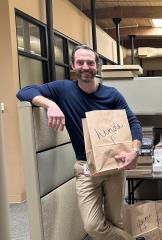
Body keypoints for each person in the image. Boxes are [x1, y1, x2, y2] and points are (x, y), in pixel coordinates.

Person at [17, 45, 142, 240]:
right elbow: (25, 91)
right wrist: (50, 104)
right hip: (85, 168)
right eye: (80, 62)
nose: (86, 66)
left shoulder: (112, 94)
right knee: (92, 225)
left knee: (115, 220)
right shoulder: (63, 90)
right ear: (73, 66)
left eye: (90, 62)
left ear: (97, 66)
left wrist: (135, 149)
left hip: (114, 164)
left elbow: (133, 122)